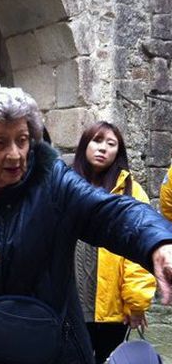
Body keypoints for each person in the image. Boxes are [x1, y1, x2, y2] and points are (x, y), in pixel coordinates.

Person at [0, 84, 172, 364]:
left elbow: (108, 212)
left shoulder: (53, 180)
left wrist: (158, 242)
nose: (15, 154)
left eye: (22, 140)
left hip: (53, 348)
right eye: (0, 143)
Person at [73, 121, 157, 363]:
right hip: (70, 302)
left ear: (118, 152)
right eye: (97, 141)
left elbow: (140, 251)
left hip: (112, 308)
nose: (103, 149)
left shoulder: (131, 192)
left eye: (111, 144)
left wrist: (137, 302)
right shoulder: (65, 187)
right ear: (84, 146)